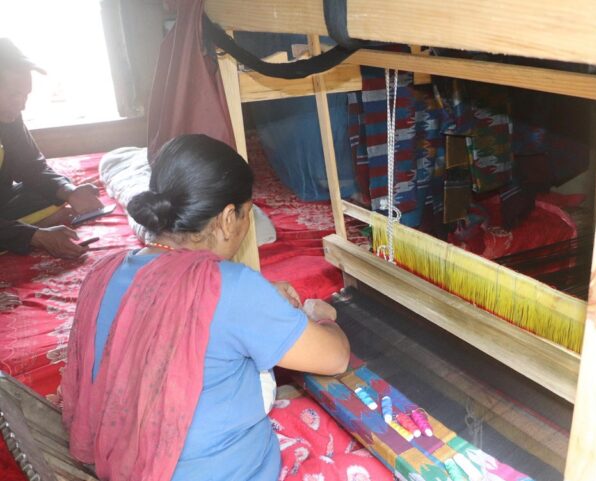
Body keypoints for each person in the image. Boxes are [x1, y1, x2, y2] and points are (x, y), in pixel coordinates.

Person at [62, 134, 350, 481]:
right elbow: (335, 358)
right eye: (247, 213)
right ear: (228, 217)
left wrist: (261, 298)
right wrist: (324, 317)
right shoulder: (233, 288)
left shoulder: (103, 271)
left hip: (126, 467)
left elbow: (166, 307)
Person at [0, 38, 103, 258]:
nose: (22, 104)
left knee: (56, 194)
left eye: (25, 95)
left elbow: (32, 167)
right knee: (50, 216)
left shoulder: (9, 116)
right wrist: (36, 236)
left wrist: (69, 192)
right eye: (15, 95)